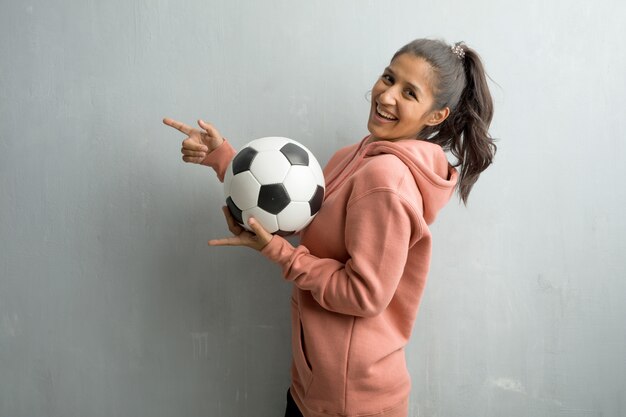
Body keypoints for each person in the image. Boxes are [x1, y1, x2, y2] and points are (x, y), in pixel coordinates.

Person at [163, 38, 496, 417]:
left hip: (350, 400)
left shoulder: (386, 179)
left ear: (436, 116)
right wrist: (224, 159)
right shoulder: (354, 156)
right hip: (316, 383)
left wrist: (280, 253)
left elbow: (363, 295)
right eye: (388, 78)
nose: (386, 96)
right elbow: (296, 214)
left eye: (409, 92)